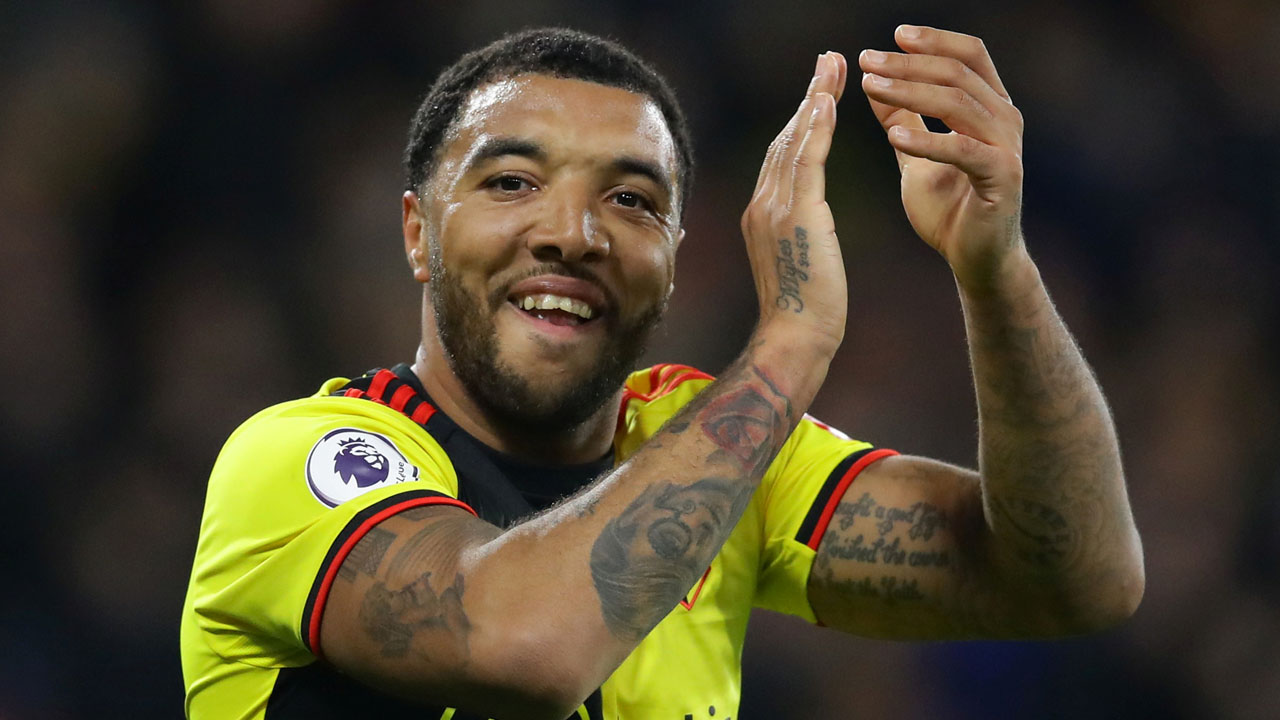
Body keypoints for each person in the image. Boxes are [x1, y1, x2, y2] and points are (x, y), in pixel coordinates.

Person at [180, 23, 1144, 720]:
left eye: (632, 199)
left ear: (675, 259)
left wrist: (996, 270)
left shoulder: (722, 455)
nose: (572, 233)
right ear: (418, 234)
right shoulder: (295, 461)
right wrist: (793, 337)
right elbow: (525, 651)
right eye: (511, 182)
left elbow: (1075, 579)